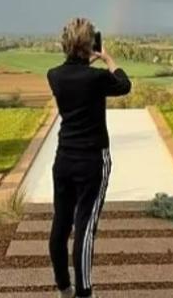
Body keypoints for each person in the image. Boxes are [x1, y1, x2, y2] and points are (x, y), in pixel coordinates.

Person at [46, 17, 132, 298]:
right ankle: (85, 293)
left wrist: (84, 60)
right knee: (85, 226)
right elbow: (124, 84)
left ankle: (64, 287)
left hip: (64, 160)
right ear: (89, 45)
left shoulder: (53, 75)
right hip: (93, 161)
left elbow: (75, 77)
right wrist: (108, 58)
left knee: (61, 223)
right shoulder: (96, 78)